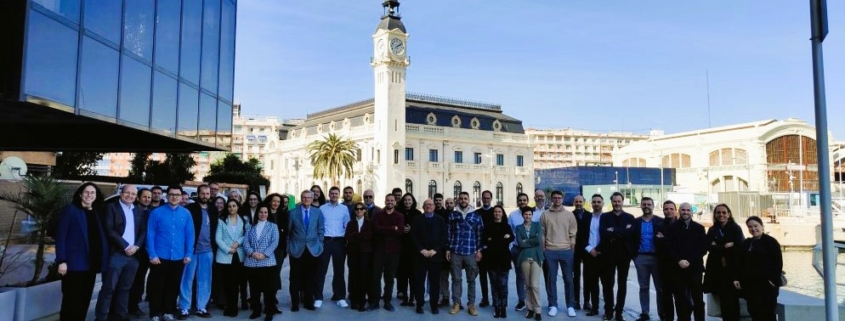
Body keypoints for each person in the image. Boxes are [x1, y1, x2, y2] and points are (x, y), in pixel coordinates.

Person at [55, 182, 110, 321]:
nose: (89, 195)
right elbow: (61, 236)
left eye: (93, 193)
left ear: (96, 196)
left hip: (91, 264)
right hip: (73, 265)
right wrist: (61, 260)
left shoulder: (96, 213)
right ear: (80, 194)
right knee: (71, 301)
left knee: (85, 300)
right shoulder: (71, 210)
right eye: (86, 192)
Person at [96, 184, 147, 321]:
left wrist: (136, 246)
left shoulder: (139, 210)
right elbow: (109, 230)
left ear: (136, 197)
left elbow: (143, 232)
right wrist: (125, 246)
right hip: (116, 254)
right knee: (108, 288)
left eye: (133, 194)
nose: (130, 196)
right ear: (121, 193)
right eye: (127, 192)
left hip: (133, 256)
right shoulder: (111, 208)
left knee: (125, 288)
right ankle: (101, 317)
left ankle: (120, 316)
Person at [147, 185, 195, 321]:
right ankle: (155, 313)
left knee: (172, 286)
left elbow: (190, 235)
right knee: (157, 286)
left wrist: (188, 254)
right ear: (166, 196)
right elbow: (150, 234)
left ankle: (168, 311)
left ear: (181, 197)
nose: (174, 197)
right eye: (172, 194)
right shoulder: (156, 212)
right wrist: (152, 254)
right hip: (159, 256)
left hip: (178, 256)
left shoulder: (186, 213)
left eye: (177, 195)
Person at [178, 185, 219, 319]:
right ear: (198, 194)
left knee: (205, 280)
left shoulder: (213, 209)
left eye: (207, 193)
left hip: (207, 251)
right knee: (187, 280)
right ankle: (184, 307)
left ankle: (202, 307)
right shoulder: (190, 209)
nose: (206, 196)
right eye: (203, 193)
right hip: (192, 251)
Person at [735, 216, 782, 321]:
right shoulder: (747, 243)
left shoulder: (771, 242)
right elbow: (741, 262)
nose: (753, 229)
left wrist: (772, 281)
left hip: (766, 286)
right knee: (754, 312)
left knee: (767, 314)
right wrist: (738, 278)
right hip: (751, 286)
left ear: (762, 226)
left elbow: (778, 263)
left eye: (756, 226)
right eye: (750, 227)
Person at [703, 204, 745, 321]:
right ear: (715, 215)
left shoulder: (735, 228)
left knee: (732, 301)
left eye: (724, 212)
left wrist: (717, 246)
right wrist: (725, 246)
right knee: (722, 302)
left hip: (732, 270)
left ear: (729, 214)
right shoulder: (713, 229)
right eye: (718, 212)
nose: (721, 215)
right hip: (717, 271)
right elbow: (708, 246)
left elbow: (740, 247)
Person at [598, 192, 636, 321]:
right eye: (614, 201)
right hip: (608, 254)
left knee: (622, 284)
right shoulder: (604, 216)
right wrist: (622, 232)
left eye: (619, 201)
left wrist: (613, 230)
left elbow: (630, 233)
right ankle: (609, 311)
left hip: (624, 254)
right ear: (611, 202)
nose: (617, 203)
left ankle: (619, 312)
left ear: (622, 201)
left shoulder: (630, 217)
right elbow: (603, 233)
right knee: (608, 284)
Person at [540, 190, 578, 317]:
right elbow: (542, 234)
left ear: (562, 199)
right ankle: (553, 305)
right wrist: (544, 250)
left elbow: (573, 234)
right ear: (551, 199)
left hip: (566, 251)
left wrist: (571, 250)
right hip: (550, 251)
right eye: (554, 198)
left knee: (568, 279)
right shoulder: (545, 215)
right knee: (551, 280)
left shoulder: (569, 215)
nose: (557, 200)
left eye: (559, 198)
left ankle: (570, 306)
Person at [667, 202, 708, 321]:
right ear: (679, 211)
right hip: (677, 268)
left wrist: (689, 260)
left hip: (695, 269)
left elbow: (702, 248)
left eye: (688, 210)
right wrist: (679, 260)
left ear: (692, 212)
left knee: (698, 300)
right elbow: (669, 248)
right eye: (683, 210)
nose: (685, 212)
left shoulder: (699, 228)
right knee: (680, 299)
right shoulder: (672, 228)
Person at [447, 191, 483, 316]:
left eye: (465, 198)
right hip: (455, 251)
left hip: (470, 251)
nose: (463, 200)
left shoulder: (476, 215)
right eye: (461, 198)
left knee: (471, 279)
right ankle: (456, 303)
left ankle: (471, 304)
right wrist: (448, 249)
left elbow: (479, 234)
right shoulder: (453, 215)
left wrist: (479, 250)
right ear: (458, 200)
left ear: (469, 200)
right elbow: (448, 233)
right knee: (456, 278)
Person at [630, 197, 666, 321]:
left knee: (660, 288)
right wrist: (634, 256)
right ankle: (645, 312)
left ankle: (662, 313)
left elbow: (669, 239)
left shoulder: (661, 222)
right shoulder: (636, 222)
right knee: (643, 287)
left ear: (653, 205)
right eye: (644, 204)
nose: (646, 206)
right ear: (640, 206)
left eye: (649, 204)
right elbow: (630, 239)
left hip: (657, 258)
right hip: (641, 257)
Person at [288, 190, 324, 312]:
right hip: (296, 249)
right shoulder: (293, 212)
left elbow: (321, 230)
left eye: (308, 197)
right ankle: (295, 303)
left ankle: (309, 302)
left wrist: (320, 245)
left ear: (312, 198)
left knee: (310, 277)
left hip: (312, 249)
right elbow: (289, 231)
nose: (306, 199)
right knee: (295, 277)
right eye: (303, 197)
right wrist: (289, 247)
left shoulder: (318, 212)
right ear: (301, 198)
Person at [411, 199, 448, 315]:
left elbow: (444, 237)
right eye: (426, 205)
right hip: (420, 256)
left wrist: (434, 250)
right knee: (419, 281)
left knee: (434, 283)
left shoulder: (440, 220)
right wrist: (421, 249)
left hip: (435, 256)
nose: (428, 206)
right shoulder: (417, 220)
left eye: (430, 205)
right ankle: (419, 304)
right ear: (423, 207)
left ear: (434, 207)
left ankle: (434, 305)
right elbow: (413, 236)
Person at [243, 204, 280, 321]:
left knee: (269, 290)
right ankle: (256, 310)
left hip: (267, 262)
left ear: (268, 214)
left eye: (265, 212)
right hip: (252, 262)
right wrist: (252, 253)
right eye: (260, 212)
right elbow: (245, 243)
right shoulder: (250, 227)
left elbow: (274, 242)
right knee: (254, 289)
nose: (263, 214)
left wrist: (264, 254)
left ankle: (269, 312)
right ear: (257, 213)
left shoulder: (273, 227)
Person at [316, 187, 350, 308]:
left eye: (336, 193)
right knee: (321, 270)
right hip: (325, 241)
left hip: (339, 242)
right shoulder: (322, 208)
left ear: (339, 195)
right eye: (332, 193)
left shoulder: (344, 208)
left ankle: (340, 296)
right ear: (329, 194)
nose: (334, 195)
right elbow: (319, 224)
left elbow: (347, 224)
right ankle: (318, 297)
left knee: (339, 271)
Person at [369, 194, 404, 311]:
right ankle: (375, 301)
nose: (390, 202)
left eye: (392, 200)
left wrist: (386, 229)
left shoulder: (399, 216)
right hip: (379, 250)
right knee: (375, 277)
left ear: (395, 202)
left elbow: (399, 232)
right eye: (388, 200)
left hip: (393, 251)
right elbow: (376, 229)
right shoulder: (378, 215)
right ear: (385, 201)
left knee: (389, 278)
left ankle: (387, 301)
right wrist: (392, 228)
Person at [215, 199, 249, 317]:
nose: (231, 208)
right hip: (225, 255)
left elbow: (246, 235)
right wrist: (228, 249)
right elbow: (218, 238)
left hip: (239, 255)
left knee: (237, 283)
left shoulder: (244, 220)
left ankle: (234, 306)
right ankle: (230, 306)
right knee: (228, 284)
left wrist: (238, 242)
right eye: (229, 206)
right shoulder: (222, 221)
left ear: (238, 207)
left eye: (234, 206)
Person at [482, 205, 513, 318]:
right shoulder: (488, 227)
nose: (497, 213)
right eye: (495, 212)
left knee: (503, 285)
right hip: (491, 260)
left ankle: (503, 307)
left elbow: (511, 238)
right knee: (494, 284)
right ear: (493, 213)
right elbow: (486, 239)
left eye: (499, 212)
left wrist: (494, 240)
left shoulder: (507, 226)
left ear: (502, 213)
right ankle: (496, 306)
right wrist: (500, 239)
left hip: (504, 260)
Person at [507, 192, 535, 312]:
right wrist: (511, 247)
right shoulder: (513, 216)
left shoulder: (535, 215)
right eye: (520, 200)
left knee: (532, 276)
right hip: (517, 250)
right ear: (517, 201)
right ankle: (522, 300)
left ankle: (532, 300)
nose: (522, 202)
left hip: (531, 250)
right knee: (520, 276)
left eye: (524, 200)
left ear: (527, 201)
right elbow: (509, 232)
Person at [129, 188, 154, 317]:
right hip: (132, 251)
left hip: (145, 252)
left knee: (139, 280)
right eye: (144, 197)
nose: (147, 199)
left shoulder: (150, 212)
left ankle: (134, 305)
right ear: (138, 198)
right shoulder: (131, 211)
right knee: (129, 281)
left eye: (149, 197)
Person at [345, 202, 375, 312]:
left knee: (363, 276)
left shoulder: (369, 223)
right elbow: (348, 236)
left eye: (361, 209)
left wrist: (356, 235)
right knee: (353, 275)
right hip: (353, 253)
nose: (359, 211)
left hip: (365, 253)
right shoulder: (350, 223)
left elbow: (369, 236)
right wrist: (360, 236)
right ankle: (354, 300)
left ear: (364, 210)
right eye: (357, 209)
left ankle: (362, 301)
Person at [516, 206, 544, 321]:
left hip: (536, 257)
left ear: (532, 215)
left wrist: (525, 241)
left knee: (534, 285)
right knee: (527, 285)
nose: (528, 216)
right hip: (524, 258)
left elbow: (538, 240)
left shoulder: (537, 225)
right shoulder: (518, 227)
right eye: (525, 214)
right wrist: (529, 241)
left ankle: (538, 310)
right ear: (522, 215)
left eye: (530, 214)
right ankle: (530, 309)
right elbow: (519, 243)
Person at [265, 193, 289, 314]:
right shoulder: (264, 213)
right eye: (274, 201)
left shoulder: (282, 214)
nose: (276, 203)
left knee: (275, 275)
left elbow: (285, 232)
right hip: (264, 249)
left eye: (278, 202)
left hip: (278, 249)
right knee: (266, 276)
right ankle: (265, 301)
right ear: (269, 201)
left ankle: (272, 301)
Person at [397, 192, 421, 307]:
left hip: (413, 249)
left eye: (409, 200)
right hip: (402, 248)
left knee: (413, 275)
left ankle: (412, 297)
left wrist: (412, 229)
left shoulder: (417, 214)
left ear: (413, 201)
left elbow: (421, 230)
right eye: (405, 200)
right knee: (403, 274)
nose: (407, 202)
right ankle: (405, 297)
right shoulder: (398, 212)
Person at [582, 194, 604, 317]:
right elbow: (582, 236)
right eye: (594, 202)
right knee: (592, 283)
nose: (596, 204)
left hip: (604, 255)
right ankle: (594, 308)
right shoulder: (586, 218)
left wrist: (599, 250)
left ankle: (608, 309)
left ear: (602, 203)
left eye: (598, 202)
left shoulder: (607, 218)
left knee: (606, 284)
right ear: (591, 203)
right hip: (589, 255)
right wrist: (590, 249)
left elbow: (608, 237)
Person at [656, 200, 679, 321]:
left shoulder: (681, 225)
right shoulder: (660, 225)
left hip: (679, 266)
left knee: (681, 297)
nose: (668, 211)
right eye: (666, 209)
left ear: (675, 210)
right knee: (666, 295)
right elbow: (658, 244)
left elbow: (680, 244)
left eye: (671, 209)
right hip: (664, 265)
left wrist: (665, 239)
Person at [473, 190, 495, 308]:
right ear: (482, 199)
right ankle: (485, 298)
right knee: (482, 276)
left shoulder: (496, 212)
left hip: (492, 250)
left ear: (491, 199)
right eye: (484, 198)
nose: (486, 200)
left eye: (488, 198)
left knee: (493, 276)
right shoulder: (477, 213)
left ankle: (495, 298)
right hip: (481, 249)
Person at [570, 195, 589, 311]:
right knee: (575, 276)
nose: (578, 203)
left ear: (584, 202)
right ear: (573, 202)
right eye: (576, 201)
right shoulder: (570, 215)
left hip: (587, 249)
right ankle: (576, 301)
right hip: (574, 249)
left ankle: (587, 301)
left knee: (588, 276)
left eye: (580, 201)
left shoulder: (590, 215)